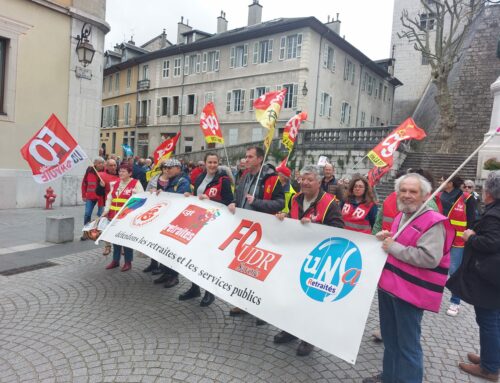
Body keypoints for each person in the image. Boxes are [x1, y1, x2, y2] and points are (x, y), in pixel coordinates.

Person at [363, 173, 455, 383]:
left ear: (425, 195)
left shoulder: (434, 222)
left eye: (413, 191)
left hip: (410, 293)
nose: (406, 195)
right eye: (403, 191)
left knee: (407, 346)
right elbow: (398, 244)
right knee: (390, 340)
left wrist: (393, 246)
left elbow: (430, 258)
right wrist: (386, 239)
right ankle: (389, 377)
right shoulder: (401, 216)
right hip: (389, 287)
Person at [274, 165, 343, 356]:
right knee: (291, 296)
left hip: (316, 260)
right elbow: (292, 218)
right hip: (295, 255)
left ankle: (308, 338)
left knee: (310, 300)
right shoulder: (296, 199)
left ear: (319, 182)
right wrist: (284, 217)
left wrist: (316, 228)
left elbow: (339, 230)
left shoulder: (331, 203)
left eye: (309, 179)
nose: (304, 182)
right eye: (302, 179)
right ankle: (290, 330)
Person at [447, 171, 500, 382]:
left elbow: (491, 243)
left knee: (488, 321)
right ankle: (491, 357)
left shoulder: (495, 214)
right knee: (494, 319)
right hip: (494, 278)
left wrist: (471, 236)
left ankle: (489, 368)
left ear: (489, 193)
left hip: (489, 277)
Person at [227, 146, 284, 319]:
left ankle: (262, 308)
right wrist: (233, 203)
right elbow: (238, 198)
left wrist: (257, 202)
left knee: (260, 272)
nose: (246, 159)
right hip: (245, 229)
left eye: (250, 157)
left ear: (259, 159)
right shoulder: (244, 177)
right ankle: (244, 302)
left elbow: (280, 203)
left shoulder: (272, 179)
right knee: (244, 268)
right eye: (246, 156)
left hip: (263, 231)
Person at [179, 152, 235, 307]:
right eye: (209, 162)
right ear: (205, 163)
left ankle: (210, 292)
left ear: (218, 163)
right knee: (194, 256)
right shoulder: (199, 178)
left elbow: (229, 202)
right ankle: (194, 288)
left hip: (214, 225)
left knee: (209, 259)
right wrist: (190, 195)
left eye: (215, 162)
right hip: (199, 223)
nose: (212, 165)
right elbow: (198, 197)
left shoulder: (223, 180)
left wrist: (212, 200)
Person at [145, 158, 191, 288]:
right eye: (166, 168)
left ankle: (174, 276)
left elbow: (178, 198)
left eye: (170, 168)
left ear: (177, 168)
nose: (167, 170)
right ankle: (166, 272)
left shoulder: (183, 181)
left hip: (177, 220)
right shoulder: (172, 180)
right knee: (165, 247)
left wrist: (165, 194)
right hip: (168, 219)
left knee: (173, 249)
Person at [436, 175, 477, 317]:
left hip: (458, 242)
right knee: (435, 267)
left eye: (443, 180)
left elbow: (472, 220)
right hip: (440, 238)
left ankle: (455, 302)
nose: (440, 182)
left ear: (451, 183)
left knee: (454, 271)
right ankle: (432, 295)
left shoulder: (467, 198)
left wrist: (470, 239)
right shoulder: (438, 196)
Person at [101, 164, 144, 271]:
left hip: (127, 217)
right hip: (113, 216)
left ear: (130, 173)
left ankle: (128, 262)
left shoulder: (135, 183)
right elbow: (109, 198)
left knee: (125, 240)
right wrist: (106, 210)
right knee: (115, 238)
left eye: (124, 171)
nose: (121, 173)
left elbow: (142, 199)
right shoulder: (115, 184)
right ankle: (115, 261)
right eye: (120, 171)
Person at [98, 159, 120, 256]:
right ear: (106, 166)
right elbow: (98, 193)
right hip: (109, 204)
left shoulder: (122, 175)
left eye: (114, 165)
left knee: (119, 226)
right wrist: (101, 186)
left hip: (120, 204)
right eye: (110, 165)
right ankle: (107, 246)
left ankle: (121, 247)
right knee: (107, 226)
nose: (113, 167)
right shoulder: (102, 176)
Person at [81, 157, 105, 240]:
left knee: (101, 215)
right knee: (87, 214)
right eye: (99, 163)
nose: (101, 164)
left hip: (101, 197)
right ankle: (85, 232)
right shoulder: (89, 170)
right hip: (90, 196)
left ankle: (99, 233)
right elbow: (84, 183)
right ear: (95, 164)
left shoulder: (105, 171)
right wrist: (84, 194)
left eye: (102, 163)